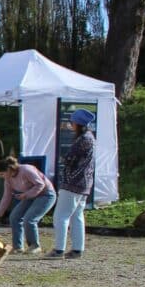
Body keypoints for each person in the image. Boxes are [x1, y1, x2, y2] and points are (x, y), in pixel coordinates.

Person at [49, 109, 97, 259]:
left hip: (72, 183)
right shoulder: (90, 138)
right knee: (77, 216)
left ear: (77, 123)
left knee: (60, 216)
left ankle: (58, 250)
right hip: (84, 183)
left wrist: (64, 160)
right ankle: (77, 249)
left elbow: (69, 159)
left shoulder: (83, 140)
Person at [0, 156, 56, 253]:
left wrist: (26, 194)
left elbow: (40, 184)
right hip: (30, 195)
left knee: (29, 219)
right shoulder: (8, 179)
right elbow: (6, 197)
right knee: (14, 217)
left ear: (8, 170)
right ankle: (18, 247)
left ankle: (35, 246)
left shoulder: (26, 169)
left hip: (46, 195)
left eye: (2, 173)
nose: (2, 176)